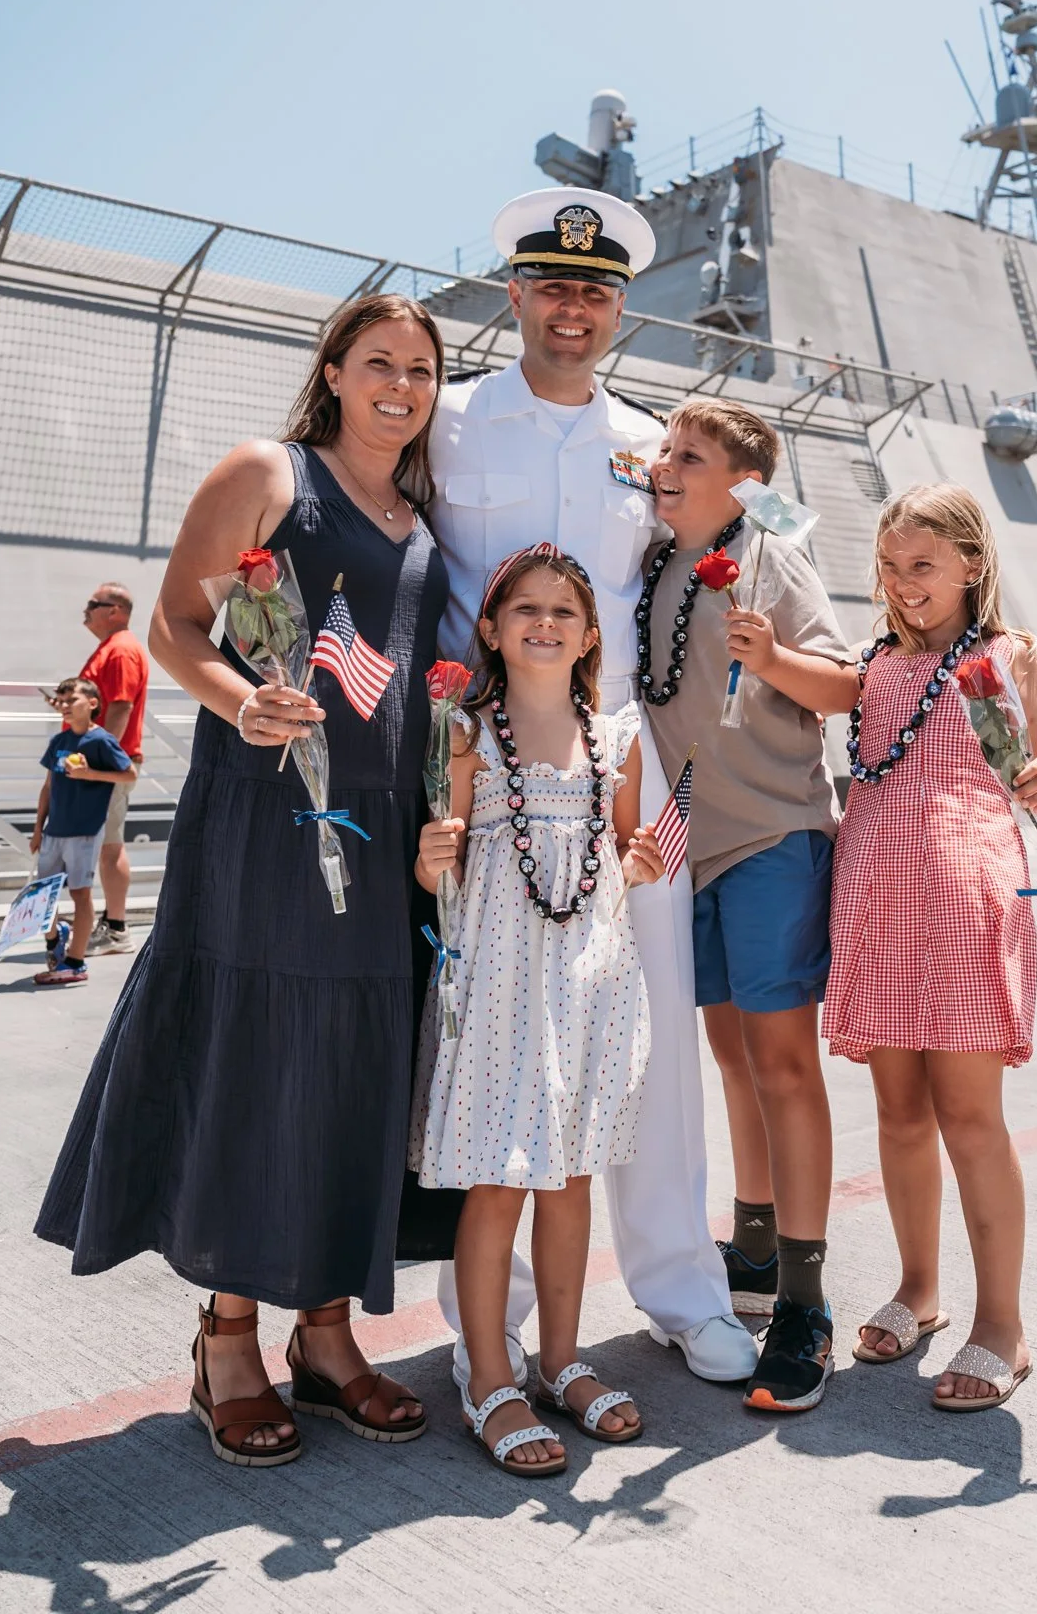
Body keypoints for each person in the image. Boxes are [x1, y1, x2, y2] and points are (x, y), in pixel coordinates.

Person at [36, 292, 450, 1468]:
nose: (402, 387)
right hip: (264, 816)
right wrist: (240, 701)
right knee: (256, 1050)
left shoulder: (413, 512)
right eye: (380, 362)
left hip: (377, 828)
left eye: (421, 370)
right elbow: (176, 624)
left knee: (355, 1060)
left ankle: (325, 1330)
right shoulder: (270, 471)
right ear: (331, 369)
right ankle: (229, 1338)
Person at [429, 187, 757, 1384]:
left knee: (655, 1023)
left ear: (621, 306)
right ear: (514, 292)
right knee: (509, 1031)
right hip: (496, 764)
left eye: (597, 290)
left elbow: (732, 551)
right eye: (553, 285)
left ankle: (679, 1286)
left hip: (624, 764)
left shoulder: (650, 444)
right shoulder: (450, 421)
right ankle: (503, 1319)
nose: (574, 308)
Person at [749, 482, 1037, 1410]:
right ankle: (918, 1288)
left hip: (968, 902)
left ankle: (1000, 1325)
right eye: (890, 568)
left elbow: (1036, 768)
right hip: (879, 902)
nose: (903, 583)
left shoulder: (1011, 657)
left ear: (972, 564)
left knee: (970, 1118)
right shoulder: (879, 658)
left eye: (922, 566)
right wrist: (769, 657)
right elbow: (832, 689)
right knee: (896, 1115)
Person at [409, 545, 665, 1476]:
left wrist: (644, 861)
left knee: (569, 1180)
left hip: (589, 978)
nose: (545, 624)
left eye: (564, 611)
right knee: (500, 1179)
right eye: (524, 610)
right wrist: (431, 857)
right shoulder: (468, 733)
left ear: (591, 633)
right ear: (490, 627)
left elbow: (632, 841)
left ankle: (560, 1358)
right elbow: (434, 869)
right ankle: (487, 1372)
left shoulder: (616, 735)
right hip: (502, 984)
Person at [642, 399, 848, 1414]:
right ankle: (755, 1249)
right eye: (664, 450)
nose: (665, 464)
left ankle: (806, 1302)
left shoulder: (768, 553)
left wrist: (769, 658)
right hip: (691, 850)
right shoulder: (650, 563)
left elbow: (842, 683)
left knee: (780, 1061)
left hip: (770, 837)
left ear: (744, 484)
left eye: (692, 456)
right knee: (729, 1057)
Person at [32, 677, 135, 987]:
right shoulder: (59, 743)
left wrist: (90, 773)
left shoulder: (101, 741)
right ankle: (55, 939)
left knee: (80, 894)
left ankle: (75, 963)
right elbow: (48, 786)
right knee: (44, 896)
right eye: (60, 701)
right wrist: (38, 828)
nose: (64, 706)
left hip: (84, 833)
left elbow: (128, 773)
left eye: (70, 700)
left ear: (91, 704)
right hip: (54, 832)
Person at [78, 582, 150, 956]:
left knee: (109, 846)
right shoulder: (111, 648)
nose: (86, 610)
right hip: (102, 765)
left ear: (115, 611)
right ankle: (111, 923)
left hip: (107, 767)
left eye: (93, 604)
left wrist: (98, 759)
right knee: (106, 845)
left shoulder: (120, 650)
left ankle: (117, 928)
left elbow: (120, 708)